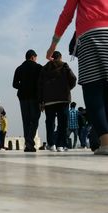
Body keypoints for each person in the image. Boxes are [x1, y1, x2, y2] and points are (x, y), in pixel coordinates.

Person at [46, 0, 108, 155]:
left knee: (93, 90)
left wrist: (53, 45)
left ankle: (106, 142)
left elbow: (67, 15)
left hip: (90, 35)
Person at [38, 51, 77, 152]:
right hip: (63, 99)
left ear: (52, 58)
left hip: (49, 100)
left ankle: (51, 144)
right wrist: (67, 89)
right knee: (62, 123)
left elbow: (40, 86)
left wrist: (41, 100)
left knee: (50, 123)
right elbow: (73, 79)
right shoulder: (64, 66)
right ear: (60, 57)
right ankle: (61, 145)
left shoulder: (44, 68)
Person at [13, 50, 43, 152]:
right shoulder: (38, 67)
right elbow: (42, 83)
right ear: (33, 57)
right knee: (34, 120)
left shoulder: (19, 68)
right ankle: (30, 142)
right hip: (35, 97)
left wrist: (23, 86)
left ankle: (28, 143)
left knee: (26, 120)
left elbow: (14, 84)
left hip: (23, 97)